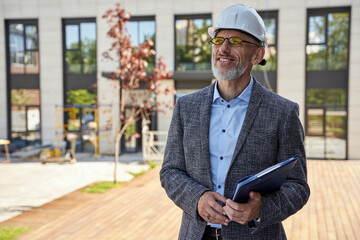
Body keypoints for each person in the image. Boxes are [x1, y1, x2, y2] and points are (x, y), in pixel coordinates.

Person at [160, 4, 310, 240]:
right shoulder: (186, 108)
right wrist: (197, 198)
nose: (224, 49)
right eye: (218, 40)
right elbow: (170, 171)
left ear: (257, 55)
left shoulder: (283, 112)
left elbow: (298, 187)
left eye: (236, 42)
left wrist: (261, 209)